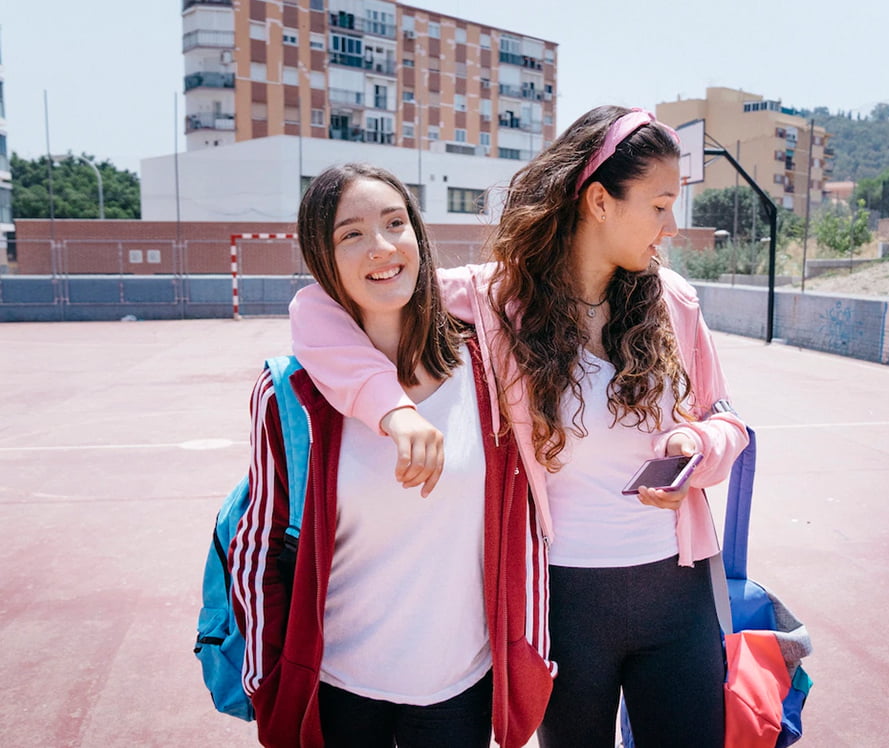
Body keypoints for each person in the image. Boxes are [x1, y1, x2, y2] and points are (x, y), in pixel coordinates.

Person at [288, 108, 750, 748]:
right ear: (599, 202)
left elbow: (727, 420)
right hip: (562, 602)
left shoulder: (675, 301)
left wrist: (697, 445)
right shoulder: (498, 301)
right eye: (660, 206)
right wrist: (391, 407)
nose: (671, 227)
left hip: (678, 592)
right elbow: (318, 304)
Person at [229, 163, 554, 748]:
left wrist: (529, 649)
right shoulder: (292, 393)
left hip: (460, 686)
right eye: (351, 234)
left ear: (418, 235)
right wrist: (267, 678)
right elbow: (257, 544)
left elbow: (523, 522)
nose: (381, 246)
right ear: (322, 260)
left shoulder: (490, 371)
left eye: (395, 223)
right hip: (338, 688)